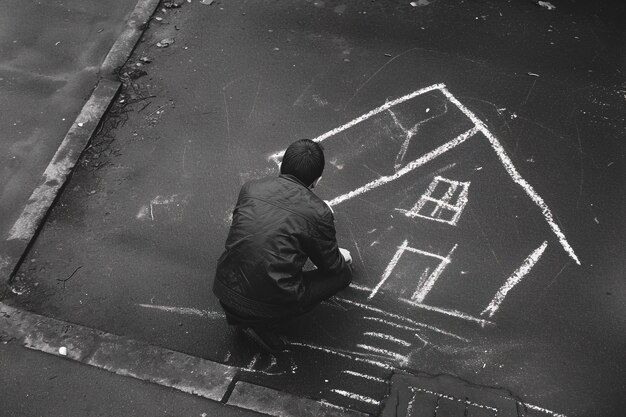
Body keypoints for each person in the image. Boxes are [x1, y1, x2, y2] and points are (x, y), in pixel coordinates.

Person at [213, 139, 353, 352]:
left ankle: (243, 315)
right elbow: (331, 266)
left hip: (225, 290)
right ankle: (261, 325)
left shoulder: (250, 188)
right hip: (268, 304)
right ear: (316, 181)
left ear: (281, 166)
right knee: (343, 275)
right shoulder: (319, 212)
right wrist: (339, 254)